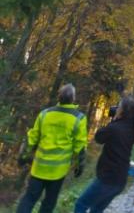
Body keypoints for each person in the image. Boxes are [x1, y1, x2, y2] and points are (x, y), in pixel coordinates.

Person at [16, 83, 87, 213]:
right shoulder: (79, 118)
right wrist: (79, 166)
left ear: (58, 97)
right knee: (49, 203)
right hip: (57, 172)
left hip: (39, 168)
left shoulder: (44, 114)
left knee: (29, 199)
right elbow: (80, 146)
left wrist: (23, 156)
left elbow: (32, 138)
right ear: (73, 99)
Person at [74, 96, 134, 213]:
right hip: (120, 180)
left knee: (81, 204)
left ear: (122, 111)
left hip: (107, 178)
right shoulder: (132, 129)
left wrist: (114, 120)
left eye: (119, 107)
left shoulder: (114, 128)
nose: (116, 109)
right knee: (97, 209)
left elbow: (98, 137)